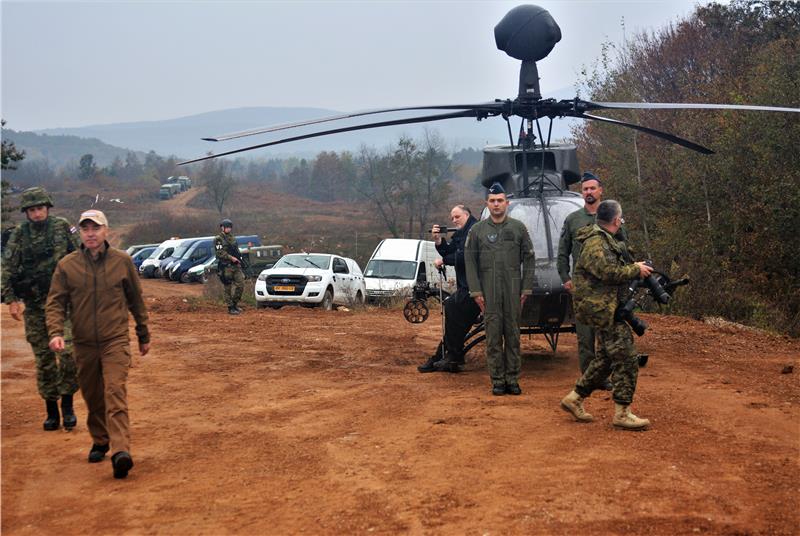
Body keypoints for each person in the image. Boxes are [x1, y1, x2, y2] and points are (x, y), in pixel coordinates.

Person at [46, 209, 151, 478]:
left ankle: (120, 452)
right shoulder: (67, 265)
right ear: (80, 233)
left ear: (106, 231)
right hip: (83, 343)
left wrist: (142, 333)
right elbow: (56, 302)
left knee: (114, 391)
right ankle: (100, 439)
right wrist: (56, 332)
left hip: (114, 339)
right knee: (93, 396)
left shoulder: (122, 261)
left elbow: (135, 299)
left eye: (95, 228)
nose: (90, 233)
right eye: (85, 229)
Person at [560, 200, 653, 430]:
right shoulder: (596, 243)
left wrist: (635, 267)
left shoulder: (604, 240)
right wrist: (636, 269)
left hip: (605, 307)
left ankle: (575, 398)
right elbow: (607, 272)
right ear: (615, 220)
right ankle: (622, 412)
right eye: (620, 218)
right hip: (602, 309)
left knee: (604, 359)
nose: (621, 222)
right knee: (627, 357)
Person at [1, 186, 80, 431]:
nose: (37, 214)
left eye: (40, 208)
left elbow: (81, 256)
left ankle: (67, 405)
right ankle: (51, 411)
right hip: (35, 307)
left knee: (68, 355)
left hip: (64, 304)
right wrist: (11, 299)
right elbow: (7, 267)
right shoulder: (19, 235)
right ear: (26, 212)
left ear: (47, 208)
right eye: (32, 210)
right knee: (44, 360)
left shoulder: (62, 227)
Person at [557, 172, 628, 385]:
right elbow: (563, 252)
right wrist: (565, 277)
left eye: (592, 188)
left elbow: (625, 247)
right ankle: (590, 377)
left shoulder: (612, 216)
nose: (588, 192)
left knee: (608, 334)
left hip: (608, 285)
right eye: (585, 189)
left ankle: (606, 375)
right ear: (582, 192)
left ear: (600, 190)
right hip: (583, 287)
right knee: (585, 336)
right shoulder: (573, 220)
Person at [464, 183, 536, 396]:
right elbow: (470, 262)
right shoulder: (477, 231)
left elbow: (529, 258)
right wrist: (476, 291)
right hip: (489, 292)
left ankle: (512, 379)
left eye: (500, 201)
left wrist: (526, 288)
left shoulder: (518, 228)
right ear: (487, 204)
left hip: (514, 290)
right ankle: (497, 380)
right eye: (493, 201)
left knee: (513, 336)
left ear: (507, 203)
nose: (496, 204)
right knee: (493, 337)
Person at [417, 205, 480, 373]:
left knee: (452, 309)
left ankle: (450, 355)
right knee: (454, 316)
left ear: (467, 215)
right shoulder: (462, 232)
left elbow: (465, 256)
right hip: (466, 286)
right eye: (452, 218)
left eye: (457, 217)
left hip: (475, 287)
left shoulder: (474, 230)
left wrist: (445, 260)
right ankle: (448, 356)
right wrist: (438, 240)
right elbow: (450, 249)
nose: (454, 220)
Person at [215, 218, 244, 315]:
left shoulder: (232, 238)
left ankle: (235, 304)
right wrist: (231, 258)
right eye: (227, 227)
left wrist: (239, 259)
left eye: (230, 227)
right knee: (227, 287)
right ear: (222, 228)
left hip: (235, 266)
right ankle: (230, 307)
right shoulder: (218, 239)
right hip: (226, 266)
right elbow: (219, 253)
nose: (228, 229)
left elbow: (236, 250)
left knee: (240, 285)